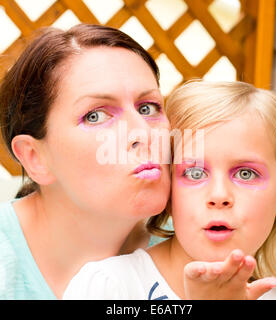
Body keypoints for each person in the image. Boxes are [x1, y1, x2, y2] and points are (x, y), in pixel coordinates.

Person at [63, 80, 276, 300]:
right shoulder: (109, 287)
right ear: (166, 190)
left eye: (245, 174)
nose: (219, 196)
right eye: (195, 173)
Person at [0, 24, 171, 299]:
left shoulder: (199, 245)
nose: (143, 133)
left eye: (147, 108)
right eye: (95, 115)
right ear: (35, 158)